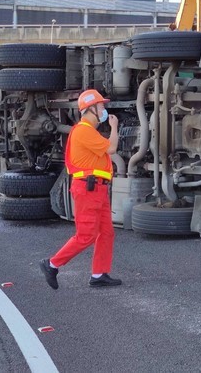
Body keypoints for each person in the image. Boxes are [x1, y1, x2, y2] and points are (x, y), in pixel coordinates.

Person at [40, 89, 122, 288]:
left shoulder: (87, 131)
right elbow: (112, 148)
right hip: (88, 188)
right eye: (101, 105)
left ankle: (99, 274)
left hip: (96, 188)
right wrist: (114, 126)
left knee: (107, 232)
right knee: (86, 235)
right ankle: (52, 264)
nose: (104, 109)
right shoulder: (84, 130)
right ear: (91, 109)